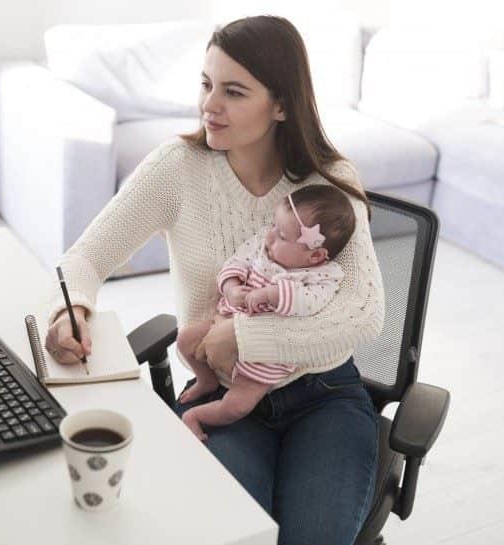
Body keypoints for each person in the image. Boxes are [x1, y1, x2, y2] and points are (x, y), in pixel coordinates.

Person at [44, 15, 385, 545]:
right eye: (206, 84)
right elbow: (83, 259)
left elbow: (363, 311)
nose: (209, 104)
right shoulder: (177, 168)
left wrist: (244, 335)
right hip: (220, 393)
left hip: (324, 395)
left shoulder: (331, 181)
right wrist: (72, 310)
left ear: (281, 104)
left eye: (233, 91)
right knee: (228, 535)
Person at [178, 184, 355, 441]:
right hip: (224, 324)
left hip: (267, 359)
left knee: (236, 406)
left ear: (315, 255)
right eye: (274, 226)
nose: (270, 236)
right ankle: (207, 380)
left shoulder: (323, 275)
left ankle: (195, 416)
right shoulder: (262, 247)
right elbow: (235, 263)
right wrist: (231, 288)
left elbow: (311, 303)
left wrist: (272, 294)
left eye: (282, 235)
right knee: (185, 340)